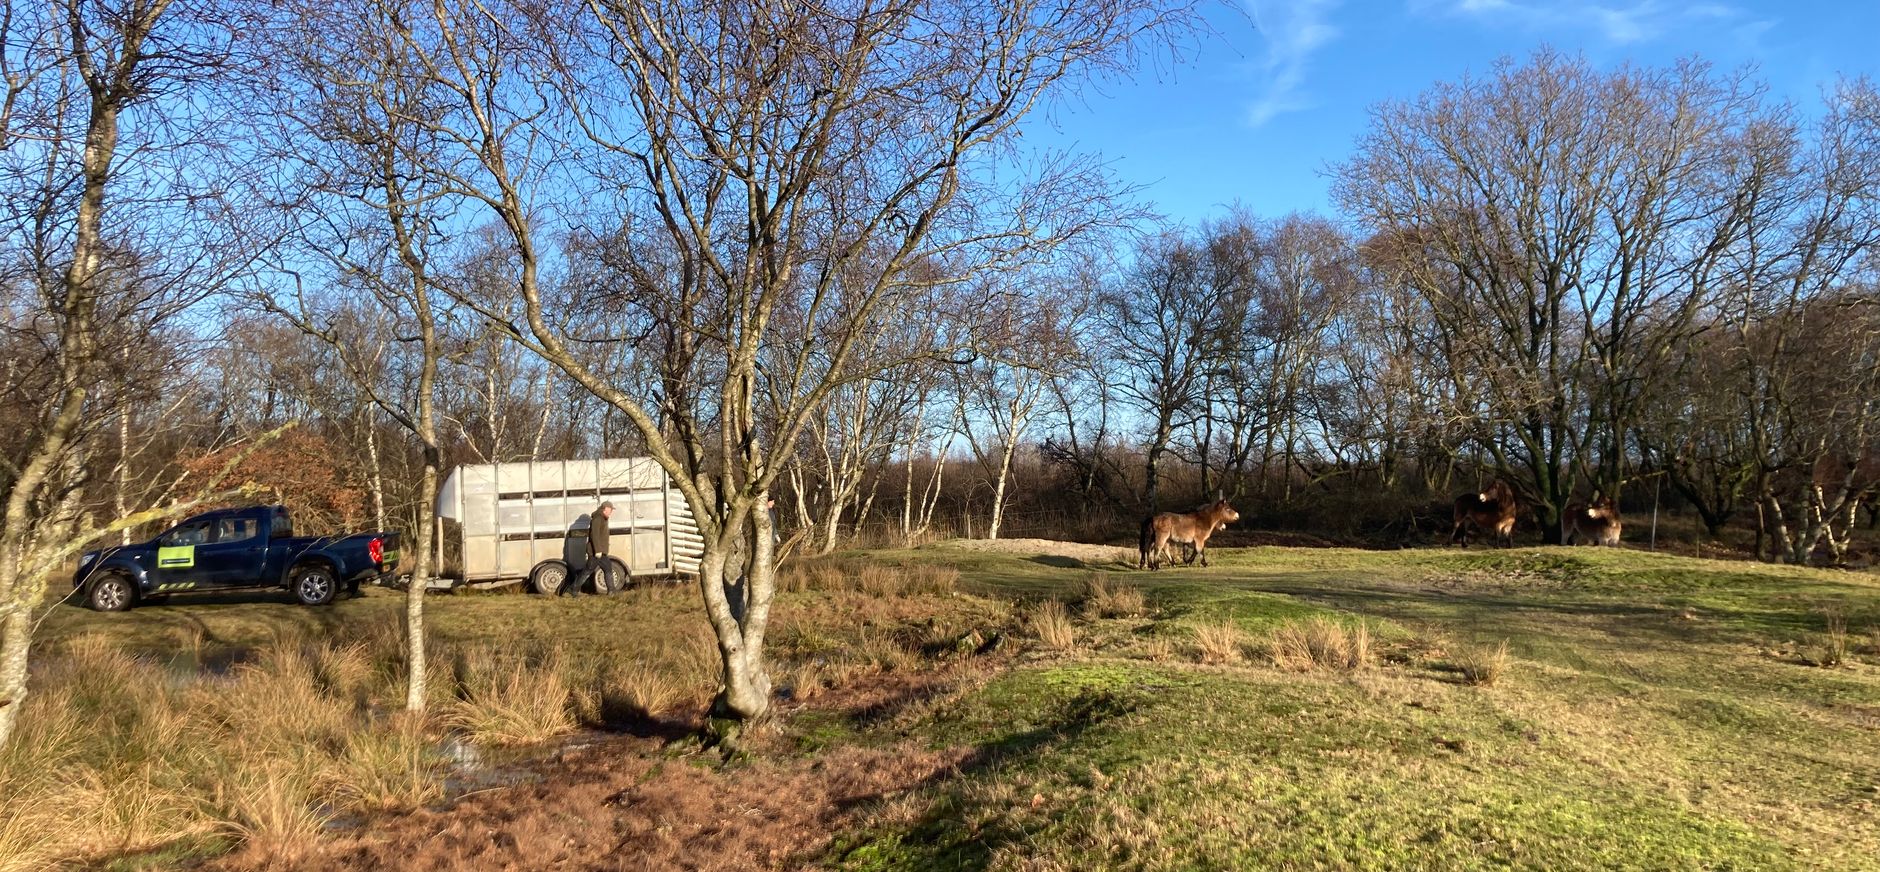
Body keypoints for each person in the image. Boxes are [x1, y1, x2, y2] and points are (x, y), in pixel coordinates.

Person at [561, 501, 616, 597]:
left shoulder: (603, 518)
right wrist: (598, 550)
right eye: (611, 509)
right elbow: (594, 535)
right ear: (605, 508)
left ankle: (612, 591)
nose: (611, 511)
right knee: (588, 571)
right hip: (596, 552)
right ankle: (572, 589)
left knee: (607, 568)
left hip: (600, 551)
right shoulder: (598, 518)